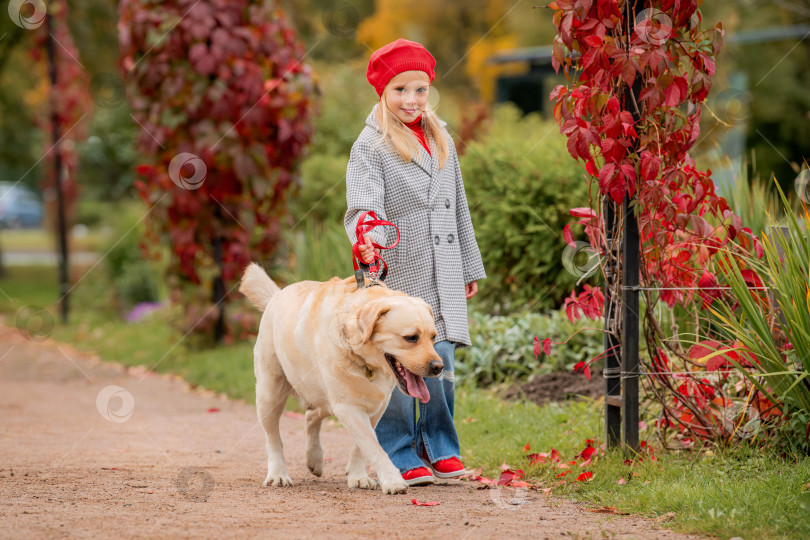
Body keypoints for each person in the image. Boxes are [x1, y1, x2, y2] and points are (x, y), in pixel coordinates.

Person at [343, 38, 486, 486]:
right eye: (400, 90)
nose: (411, 100)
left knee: (440, 362)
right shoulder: (371, 145)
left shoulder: (441, 136)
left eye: (420, 90)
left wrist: (467, 266)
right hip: (400, 271)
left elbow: (458, 207)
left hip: (444, 267)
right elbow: (364, 206)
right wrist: (370, 238)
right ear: (382, 92)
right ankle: (398, 447)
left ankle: (440, 445)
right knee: (401, 364)